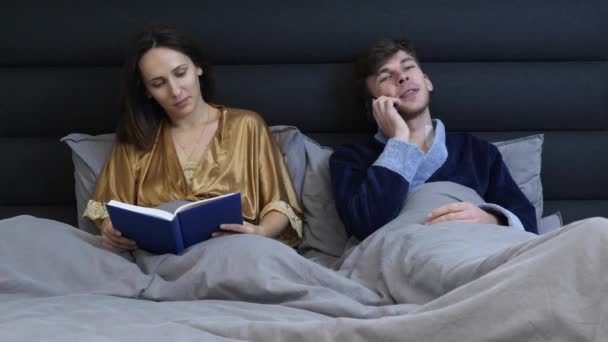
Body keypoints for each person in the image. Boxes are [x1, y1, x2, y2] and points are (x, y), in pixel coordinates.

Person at [83, 25, 302, 251]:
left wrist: (259, 232)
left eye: (180, 73)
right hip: (161, 260)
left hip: (236, 251)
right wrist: (111, 230)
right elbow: (108, 209)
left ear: (198, 67)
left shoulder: (247, 125)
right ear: (147, 91)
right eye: (158, 84)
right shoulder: (136, 138)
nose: (175, 91)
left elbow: (280, 204)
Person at [329, 38, 538, 241]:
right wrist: (399, 141)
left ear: (427, 81)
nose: (402, 78)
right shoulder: (349, 159)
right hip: (403, 256)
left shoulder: (477, 152)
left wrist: (490, 219)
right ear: (375, 105)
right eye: (385, 77)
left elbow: (528, 223)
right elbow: (366, 225)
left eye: (408, 67)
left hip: (471, 251)